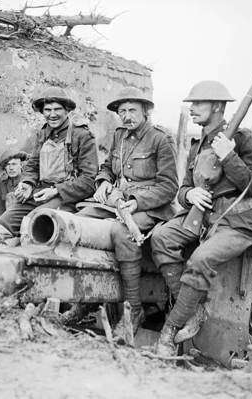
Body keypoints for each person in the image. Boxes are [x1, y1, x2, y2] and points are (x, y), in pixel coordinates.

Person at [151, 80, 252, 356]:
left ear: (217, 106)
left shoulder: (242, 139)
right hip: (205, 218)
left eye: (197, 104)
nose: (191, 109)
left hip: (240, 222)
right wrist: (190, 195)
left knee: (200, 258)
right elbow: (181, 189)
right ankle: (193, 310)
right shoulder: (198, 144)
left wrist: (229, 157)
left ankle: (170, 330)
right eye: (191, 104)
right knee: (160, 238)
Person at [77, 86, 178, 335]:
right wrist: (102, 181)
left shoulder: (160, 139)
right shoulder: (119, 136)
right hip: (117, 203)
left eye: (132, 109)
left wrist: (136, 201)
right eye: (122, 111)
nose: (126, 115)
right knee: (80, 221)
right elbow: (109, 168)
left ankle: (134, 309)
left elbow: (169, 187)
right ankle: (84, 303)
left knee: (123, 233)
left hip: (152, 207)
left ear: (145, 111)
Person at [0, 86, 98, 246]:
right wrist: (28, 183)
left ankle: (31, 262)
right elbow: (32, 165)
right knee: (3, 225)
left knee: (32, 224)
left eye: (57, 109)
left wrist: (56, 190)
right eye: (47, 110)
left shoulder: (82, 136)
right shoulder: (43, 134)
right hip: (40, 193)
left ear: (67, 110)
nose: (52, 114)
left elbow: (89, 180)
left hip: (67, 197)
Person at [0, 149, 28, 218]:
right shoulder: (3, 185)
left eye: (14, 164)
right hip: (8, 222)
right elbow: (0, 210)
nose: (11, 168)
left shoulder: (28, 182)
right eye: (8, 165)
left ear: (21, 165)